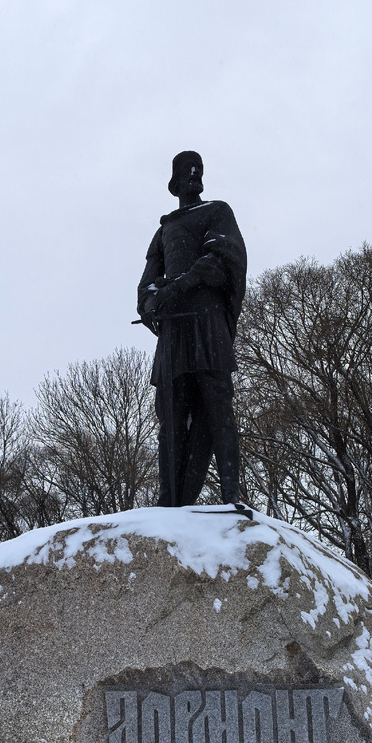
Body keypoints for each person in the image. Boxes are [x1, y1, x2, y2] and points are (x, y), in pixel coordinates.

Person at [137, 151, 247, 507]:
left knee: (218, 409)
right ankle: (169, 500)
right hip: (174, 333)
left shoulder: (217, 211)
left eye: (198, 169)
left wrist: (177, 287)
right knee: (169, 419)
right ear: (175, 182)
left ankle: (232, 494)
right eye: (187, 170)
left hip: (207, 324)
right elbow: (146, 284)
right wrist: (151, 303)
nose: (194, 174)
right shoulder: (164, 230)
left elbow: (218, 261)